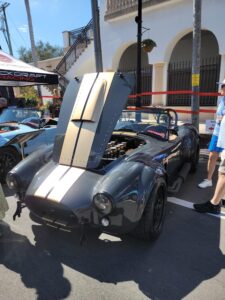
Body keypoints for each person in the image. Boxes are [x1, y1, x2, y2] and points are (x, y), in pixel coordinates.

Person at [194, 107, 225, 214]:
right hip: (220, 136)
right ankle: (218, 197)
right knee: (222, 171)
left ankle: (214, 204)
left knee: (223, 173)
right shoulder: (222, 100)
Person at [198, 80, 225, 188]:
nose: (220, 89)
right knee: (212, 156)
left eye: (222, 86)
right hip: (217, 132)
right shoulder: (222, 99)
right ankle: (209, 180)